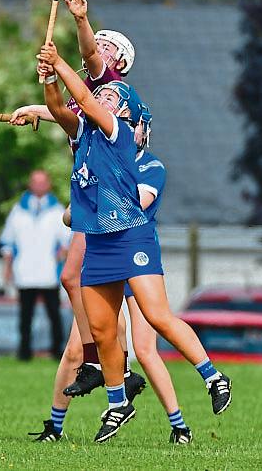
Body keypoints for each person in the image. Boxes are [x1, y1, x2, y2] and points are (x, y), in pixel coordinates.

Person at [37, 44, 231, 443]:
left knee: (157, 316)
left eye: (112, 95)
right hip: (100, 242)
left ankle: (213, 377)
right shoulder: (84, 134)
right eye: (104, 94)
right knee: (105, 333)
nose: (104, 94)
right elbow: (60, 110)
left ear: (124, 111)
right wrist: (49, 79)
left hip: (131, 235)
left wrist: (59, 62)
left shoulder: (116, 130)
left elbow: (87, 100)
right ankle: (117, 403)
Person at [11, 0, 146, 399]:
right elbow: (67, 112)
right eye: (98, 43)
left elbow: (87, 70)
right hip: (94, 199)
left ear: (118, 62)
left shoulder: (110, 86)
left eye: (106, 47)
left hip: (114, 202)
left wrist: (83, 21)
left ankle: (113, 370)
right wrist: (39, 104)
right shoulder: (90, 94)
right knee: (73, 278)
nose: (97, 50)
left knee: (124, 301)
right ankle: (104, 365)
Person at [30, 104, 193, 445]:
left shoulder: (149, 165)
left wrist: (88, 204)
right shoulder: (98, 153)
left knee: (147, 348)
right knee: (77, 347)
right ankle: (56, 427)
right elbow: (67, 113)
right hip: (105, 263)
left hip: (136, 262)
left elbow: (135, 205)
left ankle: (179, 427)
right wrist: (34, 108)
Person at [0, 170, 70, 361]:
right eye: (35, 182)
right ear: (30, 184)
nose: (39, 186)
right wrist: (7, 269)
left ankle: (57, 350)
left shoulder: (57, 210)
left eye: (43, 182)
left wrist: (63, 255)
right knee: (25, 316)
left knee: (54, 315)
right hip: (25, 272)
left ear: (48, 184)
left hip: (49, 272)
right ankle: (24, 351)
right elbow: (8, 242)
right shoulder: (18, 210)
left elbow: (67, 240)